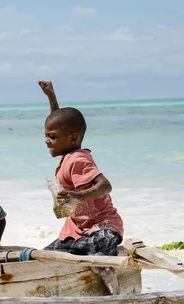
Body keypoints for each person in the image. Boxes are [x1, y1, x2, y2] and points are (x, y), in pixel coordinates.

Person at [38, 80, 124, 293]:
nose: (47, 141)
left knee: (96, 253)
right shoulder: (68, 153)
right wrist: (52, 98)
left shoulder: (77, 159)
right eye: (46, 136)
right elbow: (60, 123)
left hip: (102, 227)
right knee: (43, 257)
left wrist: (79, 196)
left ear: (72, 138)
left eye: (52, 137)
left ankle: (114, 293)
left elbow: (105, 186)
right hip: (76, 231)